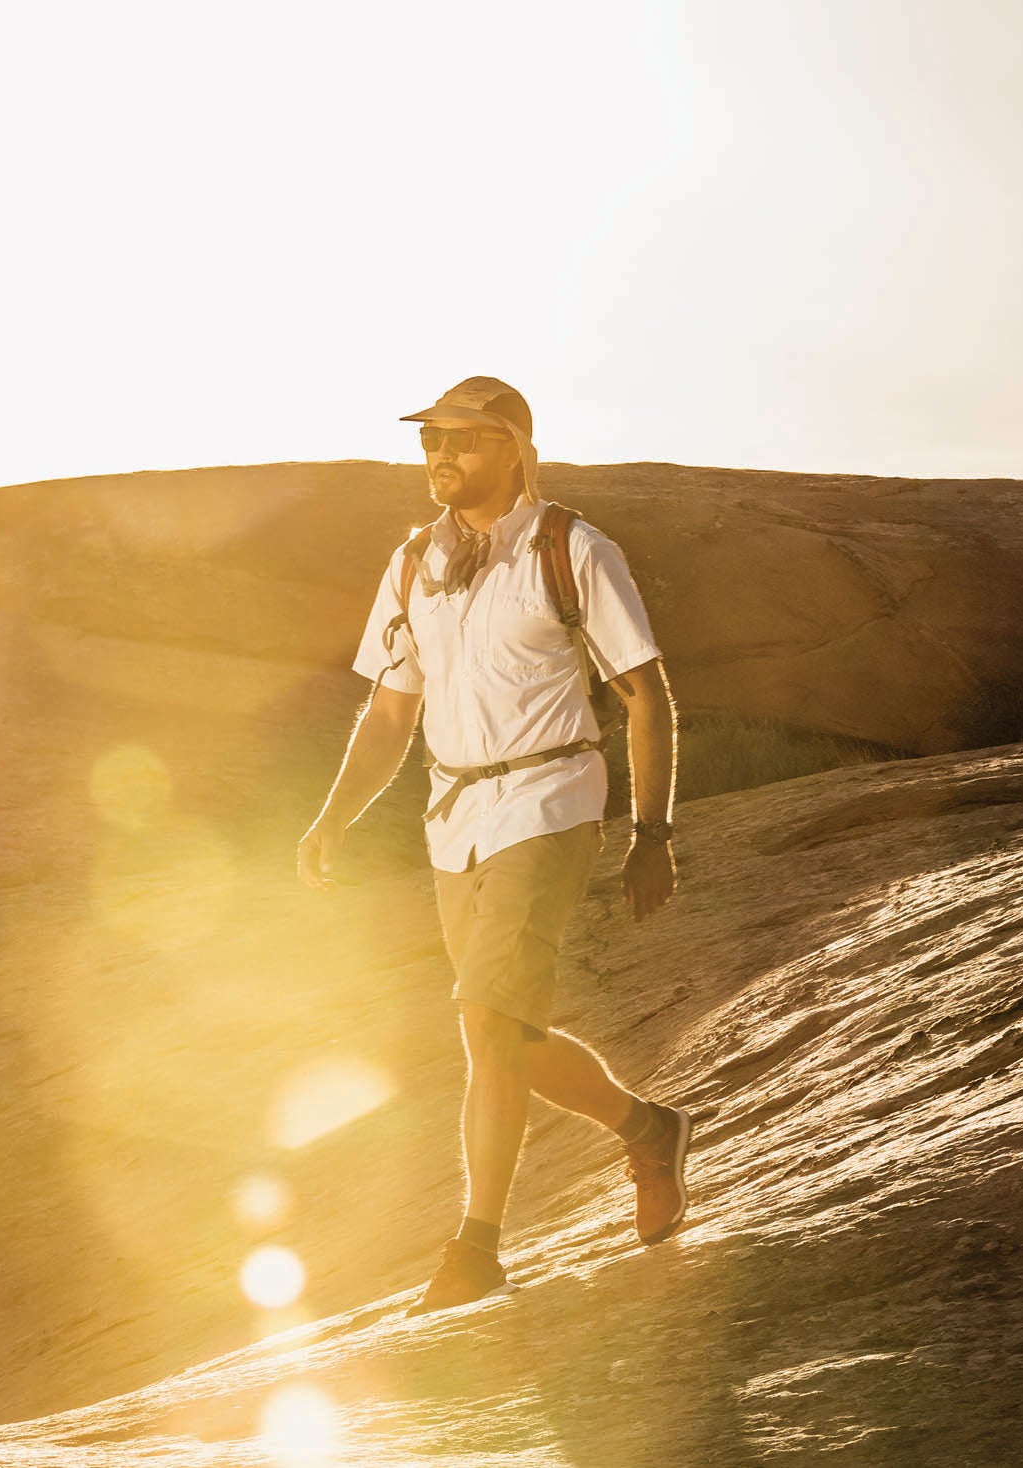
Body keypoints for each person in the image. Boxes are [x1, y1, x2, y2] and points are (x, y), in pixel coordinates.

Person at [297, 376, 692, 1316]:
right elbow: (394, 708)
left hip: (552, 800)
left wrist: (652, 833)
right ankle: (648, 1128)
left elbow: (647, 694)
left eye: (466, 439)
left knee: (483, 1021)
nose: (443, 453)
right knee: (503, 1032)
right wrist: (332, 816)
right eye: (434, 436)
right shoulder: (411, 565)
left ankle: (475, 1251)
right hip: (455, 819)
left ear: (513, 447)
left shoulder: (572, 549)